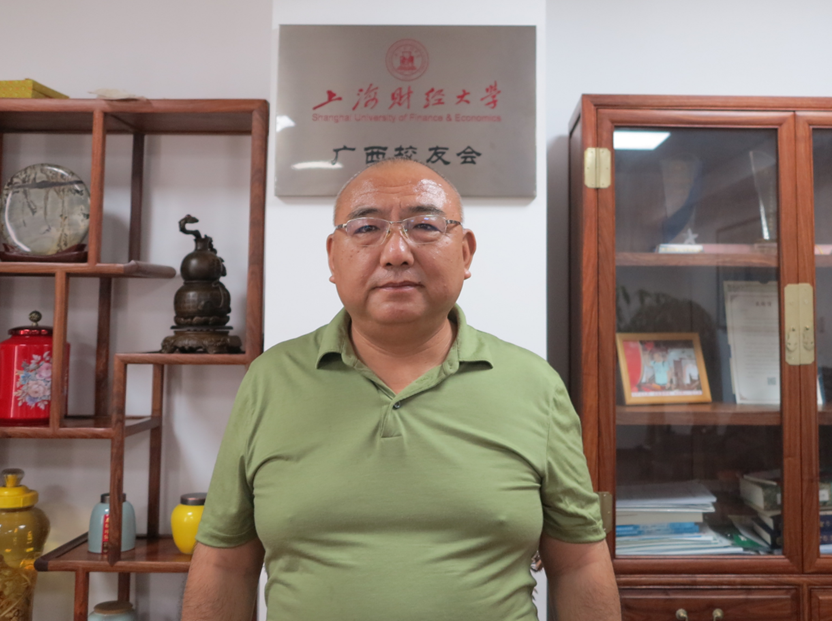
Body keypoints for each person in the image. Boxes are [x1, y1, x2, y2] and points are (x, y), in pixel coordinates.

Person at [181, 158, 621, 621]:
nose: (396, 253)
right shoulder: (269, 381)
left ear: (466, 253)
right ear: (332, 256)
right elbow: (225, 565)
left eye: (425, 226)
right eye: (367, 228)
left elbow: (580, 565)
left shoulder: (534, 385)